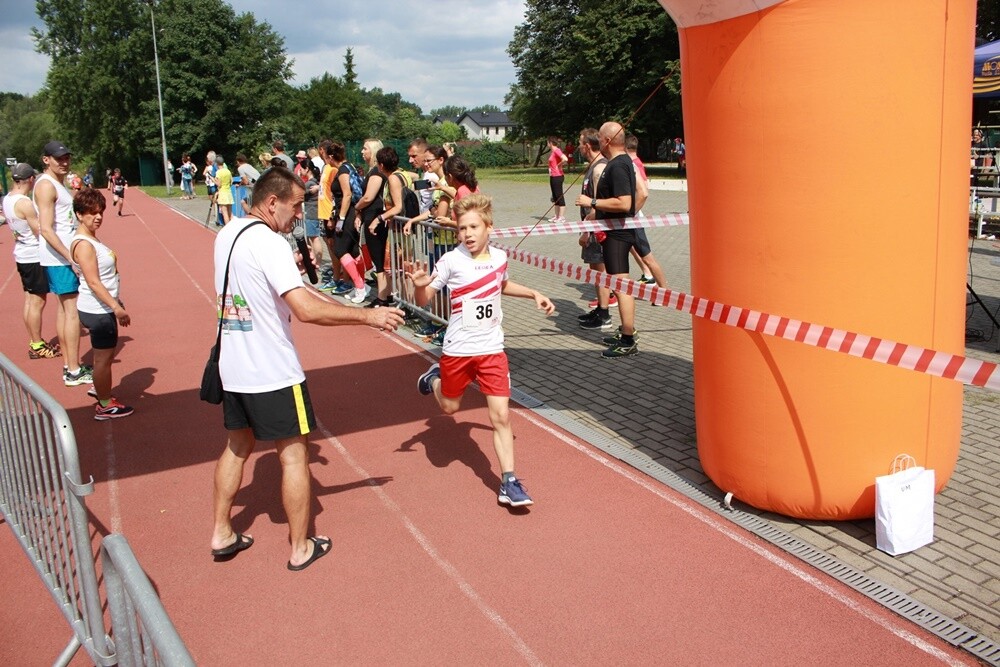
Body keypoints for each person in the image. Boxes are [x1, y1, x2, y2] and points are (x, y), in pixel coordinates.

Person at [209, 167, 405, 570]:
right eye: (296, 206)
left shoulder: (229, 233)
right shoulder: (271, 243)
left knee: (237, 446)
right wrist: (368, 317)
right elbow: (306, 309)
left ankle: (222, 531)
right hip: (273, 370)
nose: (300, 214)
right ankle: (300, 546)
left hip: (234, 366)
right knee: (294, 457)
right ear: (271, 203)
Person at [406, 193, 554, 507]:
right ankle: (434, 379)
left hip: (491, 350)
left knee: (501, 416)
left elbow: (500, 286)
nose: (468, 234)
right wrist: (419, 284)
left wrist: (534, 293)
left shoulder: (500, 258)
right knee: (449, 408)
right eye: (462, 229)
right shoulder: (450, 261)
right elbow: (423, 299)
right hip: (458, 350)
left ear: (489, 227)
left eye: (474, 227)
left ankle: (509, 481)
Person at [574, 121, 639, 358]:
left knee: (622, 286)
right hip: (615, 232)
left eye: (600, 138)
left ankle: (628, 339)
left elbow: (625, 202)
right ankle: (625, 332)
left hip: (618, 235)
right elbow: (640, 193)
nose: (598, 142)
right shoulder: (619, 163)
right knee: (619, 284)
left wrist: (591, 202)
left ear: (608, 141)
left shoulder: (618, 165)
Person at [70, 188, 133, 420]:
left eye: (100, 212)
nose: (97, 217)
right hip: (98, 309)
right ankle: (105, 404)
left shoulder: (88, 238)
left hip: (99, 305)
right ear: (79, 214)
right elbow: (94, 282)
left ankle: (100, 387)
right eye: (91, 213)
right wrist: (115, 307)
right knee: (103, 359)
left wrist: (114, 298)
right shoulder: (84, 244)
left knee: (102, 359)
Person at [35, 140, 92, 386]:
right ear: (46, 160)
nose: (65, 162)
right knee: (72, 313)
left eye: (67, 157)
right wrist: (70, 257)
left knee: (64, 310)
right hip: (60, 259)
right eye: (59, 158)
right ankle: (73, 370)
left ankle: (70, 365)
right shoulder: (46, 186)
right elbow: (46, 229)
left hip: (61, 257)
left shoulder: (56, 183)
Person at [3, 162, 60, 360]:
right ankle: (37, 343)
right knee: (37, 301)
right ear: (31, 179)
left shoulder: (8, 199)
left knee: (30, 299)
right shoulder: (25, 203)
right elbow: (40, 230)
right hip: (33, 255)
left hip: (22, 254)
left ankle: (34, 340)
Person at [574, 128, 616, 329]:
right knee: (595, 270)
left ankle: (605, 315)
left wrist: (587, 231)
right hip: (592, 228)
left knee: (601, 271)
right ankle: (600, 308)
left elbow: (600, 205)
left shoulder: (599, 169)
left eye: (580, 143)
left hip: (597, 230)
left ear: (587, 146)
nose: (579, 147)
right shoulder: (593, 167)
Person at [625, 134, 669, 291]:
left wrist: (632, 211)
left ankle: (662, 289)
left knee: (647, 256)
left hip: (633, 218)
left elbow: (644, 190)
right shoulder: (630, 163)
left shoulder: (635, 164)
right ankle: (647, 275)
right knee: (632, 249)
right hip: (628, 218)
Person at [327, 141, 367, 304]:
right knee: (353, 250)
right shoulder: (348, 167)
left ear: (330, 157)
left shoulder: (343, 170)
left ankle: (359, 286)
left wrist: (341, 219)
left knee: (340, 250)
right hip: (348, 212)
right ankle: (360, 284)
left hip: (348, 213)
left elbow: (347, 195)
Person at [354, 139, 388, 305]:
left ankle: (382, 297)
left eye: (365, 148)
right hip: (370, 216)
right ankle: (384, 294)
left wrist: (356, 207)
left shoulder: (376, 173)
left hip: (375, 218)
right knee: (377, 259)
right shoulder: (372, 171)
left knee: (379, 260)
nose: (362, 151)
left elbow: (368, 197)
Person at [547, 136, 569, 223]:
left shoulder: (557, 150)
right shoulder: (553, 152)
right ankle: (556, 216)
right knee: (555, 196)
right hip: (553, 176)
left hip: (558, 176)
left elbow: (565, 159)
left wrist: (559, 165)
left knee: (559, 196)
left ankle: (562, 216)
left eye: (548, 143)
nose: (547, 144)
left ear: (551, 143)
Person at [214, 155, 234, 226]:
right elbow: (231, 181)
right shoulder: (228, 171)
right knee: (230, 213)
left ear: (217, 163)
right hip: (229, 192)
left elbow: (219, 184)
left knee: (224, 213)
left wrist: (213, 180)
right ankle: (233, 227)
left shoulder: (218, 172)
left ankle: (228, 229)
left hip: (222, 193)